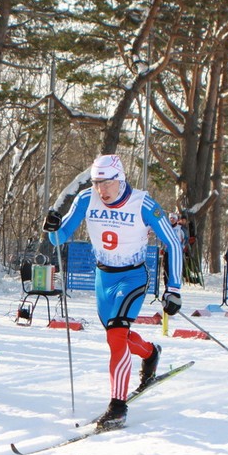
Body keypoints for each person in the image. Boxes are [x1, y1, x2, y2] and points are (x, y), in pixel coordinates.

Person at [42, 154, 184, 430]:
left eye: (106, 183)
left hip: (132, 276)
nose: (101, 190)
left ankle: (117, 406)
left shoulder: (143, 204)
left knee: (116, 335)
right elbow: (59, 237)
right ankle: (150, 353)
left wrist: (174, 288)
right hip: (103, 277)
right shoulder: (86, 199)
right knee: (116, 334)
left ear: (120, 179)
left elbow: (173, 243)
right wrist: (51, 228)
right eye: (96, 183)